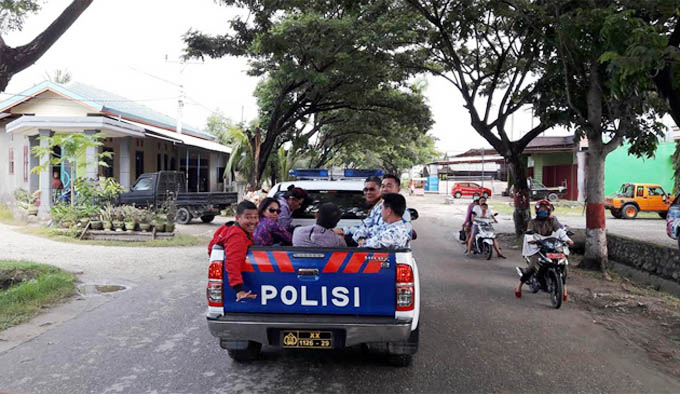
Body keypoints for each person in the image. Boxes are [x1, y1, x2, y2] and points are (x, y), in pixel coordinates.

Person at [515, 200, 574, 299]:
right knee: (531, 267)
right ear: (537, 211)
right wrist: (532, 240)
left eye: (545, 209)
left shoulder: (552, 221)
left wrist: (568, 240)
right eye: (541, 209)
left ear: (549, 210)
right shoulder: (532, 222)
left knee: (562, 264)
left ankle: (564, 288)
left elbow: (560, 232)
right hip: (537, 247)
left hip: (551, 245)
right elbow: (529, 233)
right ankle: (519, 286)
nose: (543, 211)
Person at [207, 200, 259, 302]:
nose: (253, 221)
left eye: (256, 217)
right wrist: (239, 290)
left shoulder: (232, 228)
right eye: (248, 217)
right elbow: (232, 263)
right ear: (237, 218)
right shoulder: (237, 236)